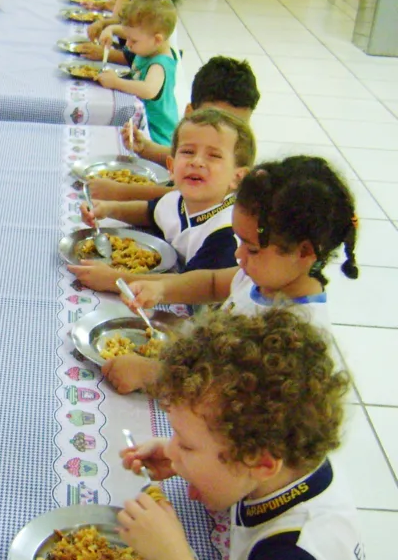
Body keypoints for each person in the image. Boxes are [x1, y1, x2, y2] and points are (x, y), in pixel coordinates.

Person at [118, 309, 384, 560]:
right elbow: (232, 467)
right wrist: (179, 458)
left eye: (187, 444)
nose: (173, 449)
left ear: (260, 462)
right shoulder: (289, 463)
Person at [102, 156, 358, 393]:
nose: (238, 254)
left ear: (305, 252)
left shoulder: (297, 333)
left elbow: (231, 394)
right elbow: (212, 283)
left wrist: (153, 373)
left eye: (253, 248)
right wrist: (162, 289)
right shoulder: (263, 278)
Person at [71, 107, 254, 292]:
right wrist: (110, 209)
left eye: (214, 156)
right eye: (188, 152)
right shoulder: (180, 199)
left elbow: (195, 286)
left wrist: (118, 281)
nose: (196, 162)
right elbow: (151, 212)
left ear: (237, 177)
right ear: (171, 167)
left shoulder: (225, 233)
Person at [90, 56, 261, 201]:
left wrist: (120, 192)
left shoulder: (238, 166)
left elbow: (176, 199)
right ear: (190, 114)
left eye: (239, 125)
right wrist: (147, 149)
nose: (227, 133)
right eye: (215, 123)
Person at [77, 0, 198, 66]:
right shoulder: (153, 16)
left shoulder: (161, 27)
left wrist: (105, 54)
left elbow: (139, 57)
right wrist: (105, 25)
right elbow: (131, 30)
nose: (131, 4)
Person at [96, 0, 179, 147]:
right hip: (139, 120)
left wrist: (116, 82)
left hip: (156, 134)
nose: (127, 44)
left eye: (133, 41)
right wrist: (111, 29)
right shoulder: (150, 45)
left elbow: (148, 90)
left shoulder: (159, 64)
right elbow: (129, 30)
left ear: (157, 39)